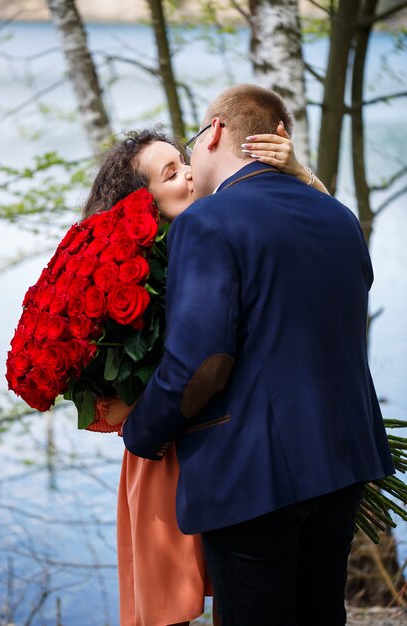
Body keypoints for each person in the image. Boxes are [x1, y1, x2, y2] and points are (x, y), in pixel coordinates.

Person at [121, 84, 395, 626]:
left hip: (256, 473)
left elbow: (202, 363)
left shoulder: (208, 222)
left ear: (217, 132)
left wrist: (142, 433)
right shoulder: (338, 218)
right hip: (343, 460)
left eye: (194, 140)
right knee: (320, 614)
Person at [83, 121, 328, 626]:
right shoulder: (124, 272)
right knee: (175, 610)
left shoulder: (232, 224)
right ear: (138, 203)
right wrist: (143, 420)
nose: (190, 175)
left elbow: (325, 237)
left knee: (248, 602)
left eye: (184, 161)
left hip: (252, 452)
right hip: (165, 450)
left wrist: (297, 173)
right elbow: (110, 401)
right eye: (171, 172)